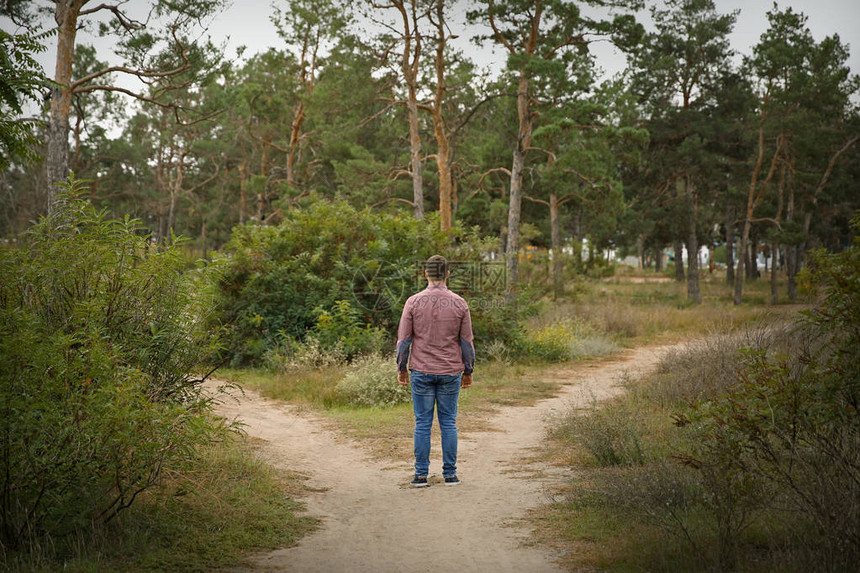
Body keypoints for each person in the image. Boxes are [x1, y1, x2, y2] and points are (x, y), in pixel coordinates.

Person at [396, 255, 475, 488]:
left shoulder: (413, 302)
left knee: (422, 423)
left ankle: (420, 475)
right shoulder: (460, 303)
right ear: (448, 274)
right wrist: (468, 371)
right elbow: (466, 342)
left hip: (421, 370)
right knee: (448, 422)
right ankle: (450, 474)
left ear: (426, 274)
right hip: (451, 371)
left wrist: (402, 368)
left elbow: (404, 340)